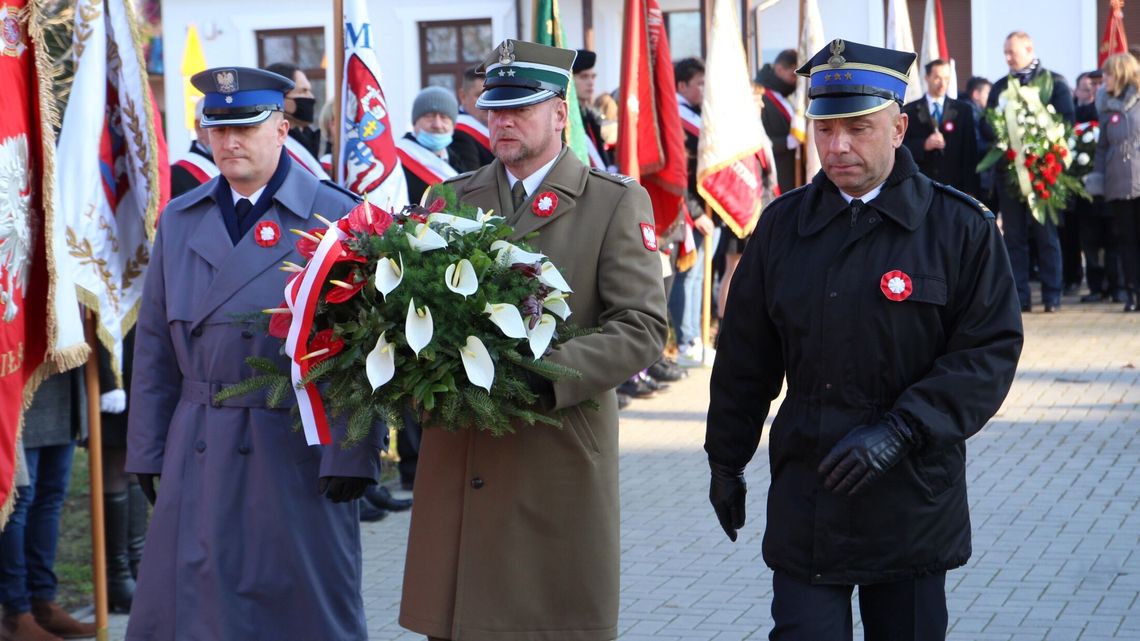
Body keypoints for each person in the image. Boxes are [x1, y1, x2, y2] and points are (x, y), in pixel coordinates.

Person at [705, 39, 1024, 641]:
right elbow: (746, 356)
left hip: (911, 499)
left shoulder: (959, 229)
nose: (838, 145)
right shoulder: (782, 226)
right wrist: (726, 458)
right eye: (825, 129)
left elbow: (987, 353)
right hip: (810, 494)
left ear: (900, 127)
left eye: (859, 127)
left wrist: (905, 427)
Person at [399, 39, 668, 641]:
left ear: (559, 112)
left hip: (553, 451)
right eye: (494, 107)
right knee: (458, 623)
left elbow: (643, 327)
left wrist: (538, 375)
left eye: (520, 107)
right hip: (460, 453)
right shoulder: (448, 200)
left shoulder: (612, 203)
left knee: (548, 624)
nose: (502, 120)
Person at [125, 66, 383, 641]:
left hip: (293, 451)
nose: (229, 141)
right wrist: (146, 449)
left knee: (303, 612)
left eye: (245, 126)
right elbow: (154, 349)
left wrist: (353, 451)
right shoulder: (180, 218)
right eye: (216, 128)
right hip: (200, 446)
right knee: (197, 612)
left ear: (283, 128)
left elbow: (366, 349)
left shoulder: (335, 215)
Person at [0, 370, 96, 641]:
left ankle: (43, 602)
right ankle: (16, 613)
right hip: (17, 374)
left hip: (61, 377)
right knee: (18, 501)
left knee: (51, 497)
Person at [985, 31, 1075, 312]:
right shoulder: (1000, 86)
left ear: (1029, 49)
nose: (1008, 58)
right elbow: (986, 124)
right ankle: (1020, 297)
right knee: (1014, 238)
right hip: (1009, 172)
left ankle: (1052, 295)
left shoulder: (1054, 82)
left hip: (1042, 172)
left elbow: (1066, 121)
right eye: (1005, 53)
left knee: (1046, 235)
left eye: (1012, 52)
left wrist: (1041, 148)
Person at [95, 330, 149, 613]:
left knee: (135, 457)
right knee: (116, 457)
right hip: (110, 346)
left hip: (139, 344)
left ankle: (136, 563)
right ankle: (117, 573)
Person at [670, 57, 717, 367]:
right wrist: (697, 210)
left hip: (704, 209)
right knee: (685, 276)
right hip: (684, 210)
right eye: (699, 83)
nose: (704, 89)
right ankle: (685, 339)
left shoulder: (700, 115)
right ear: (682, 85)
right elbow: (679, 172)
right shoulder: (677, 118)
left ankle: (696, 337)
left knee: (699, 274)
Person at [1085, 53, 1140, 312]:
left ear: (1121, 74)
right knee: (1126, 240)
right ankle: (1133, 292)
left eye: (1107, 74)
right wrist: (1098, 180)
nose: (1102, 80)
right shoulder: (1106, 106)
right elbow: (1101, 148)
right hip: (1118, 183)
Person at [1072, 71, 1122, 303]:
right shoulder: (1078, 113)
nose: (1095, 89)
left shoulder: (1116, 110)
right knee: (1090, 241)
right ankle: (1095, 287)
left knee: (1114, 239)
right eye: (1091, 85)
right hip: (1087, 189)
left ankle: (1117, 286)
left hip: (1113, 186)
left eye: (1100, 84)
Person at [902, 59, 979, 196]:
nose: (943, 83)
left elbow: (970, 152)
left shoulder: (963, 110)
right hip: (921, 186)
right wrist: (923, 145)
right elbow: (901, 147)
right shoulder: (910, 110)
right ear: (927, 78)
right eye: (937, 78)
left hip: (955, 187)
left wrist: (971, 190)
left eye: (946, 78)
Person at [395, 86, 460, 205]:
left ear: (453, 126)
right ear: (414, 123)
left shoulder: (458, 160)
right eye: (429, 116)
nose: (437, 124)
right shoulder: (396, 159)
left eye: (444, 117)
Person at [265, 62, 330, 179]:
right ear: (280, 98)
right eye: (303, 91)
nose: (311, 97)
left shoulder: (307, 137)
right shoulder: (271, 147)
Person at [756, 48, 800, 193]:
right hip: (776, 175)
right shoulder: (759, 96)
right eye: (793, 76)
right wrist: (786, 142)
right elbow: (758, 142)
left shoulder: (787, 94)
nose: (796, 82)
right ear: (780, 69)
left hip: (793, 171)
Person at [573, 48, 612, 170]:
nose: (591, 82)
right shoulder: (569, 120)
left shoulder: (590, 116)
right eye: (583, 76)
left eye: (593, 76)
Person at [169, 100, 218, 198]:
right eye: (220, 129)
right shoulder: (173, 177)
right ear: (198, 127)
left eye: (239, 129)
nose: (231, 140)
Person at [451, 67, 495, 172]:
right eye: (480, 95)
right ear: (463, 96)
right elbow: (472, 182)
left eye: (492, 94)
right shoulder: (459, 132)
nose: (487, 102)